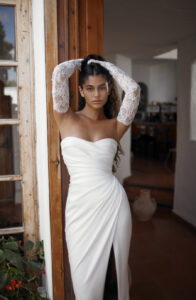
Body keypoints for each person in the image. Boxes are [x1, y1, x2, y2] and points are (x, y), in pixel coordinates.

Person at [52, 54, 140, 300]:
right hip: (80, 209)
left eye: (102, 87)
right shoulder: (65, 117)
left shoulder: (115, 125)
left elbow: (133, 91)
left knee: (117, 274)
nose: (97, 93)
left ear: (109, 87)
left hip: (113, 204)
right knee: (85, 286)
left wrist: (108, 67)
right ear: (80, 90)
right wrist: (82, 62)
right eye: (90, 88)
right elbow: (59, 73)